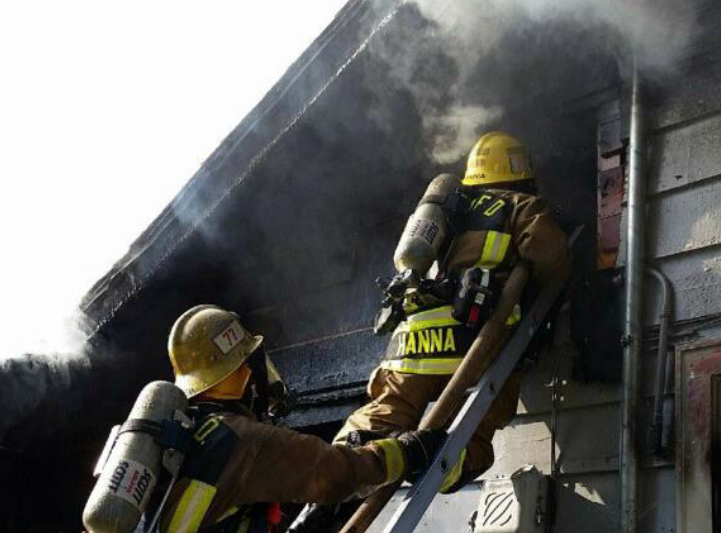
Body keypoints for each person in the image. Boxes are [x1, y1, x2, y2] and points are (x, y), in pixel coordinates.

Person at [289, 131, 571, 532]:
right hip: (472, 347)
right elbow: (550, 252)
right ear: (519, 174)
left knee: (377, 421)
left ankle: (318, 507)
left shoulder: (446, 215)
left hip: (410, 346)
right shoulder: (518, 203)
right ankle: (432, 459)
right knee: (472, 438)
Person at [157, 304, 444, 533]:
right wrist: (407, 452)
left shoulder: (180, 441)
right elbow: (338, 473)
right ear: (245, 373)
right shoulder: (240, 439)